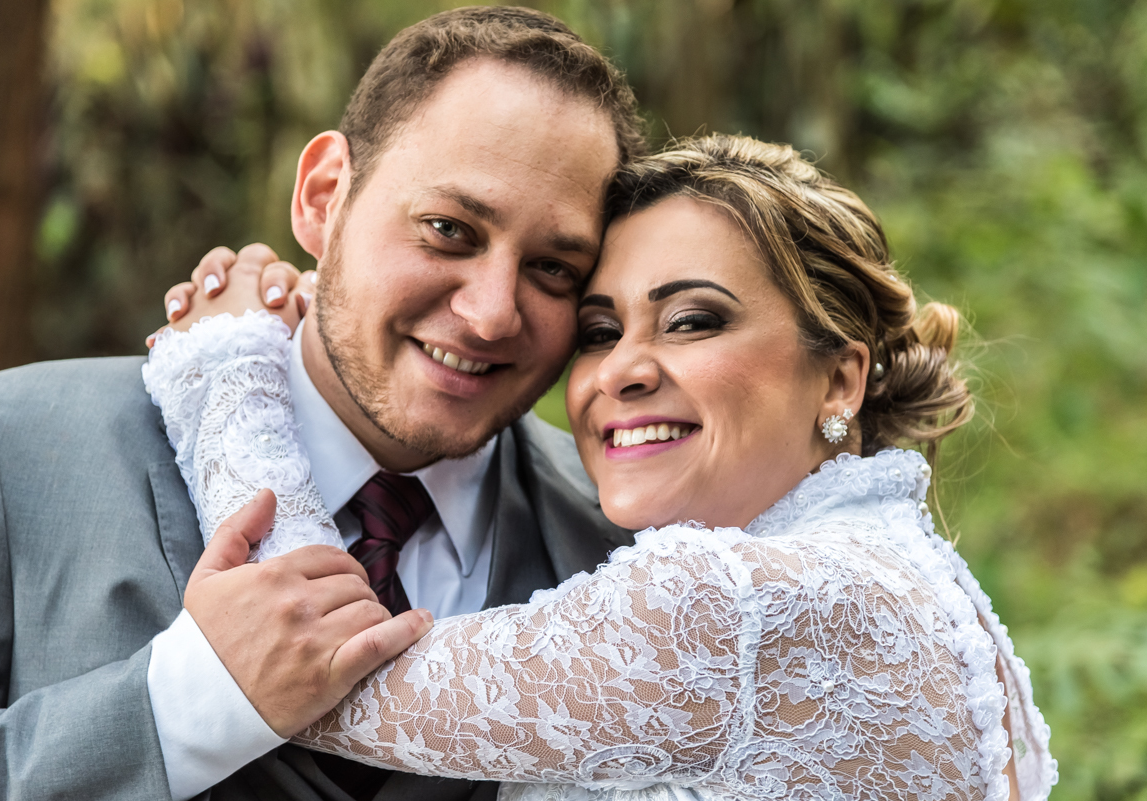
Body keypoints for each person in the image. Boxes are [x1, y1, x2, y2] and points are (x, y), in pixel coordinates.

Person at [147, 135, 1057, 800]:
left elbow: (312, 667)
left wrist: (225, 365)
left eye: (694, 319)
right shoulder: (916, 585)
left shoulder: (729, 601)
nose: (624, 368)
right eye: (598, 330)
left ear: (843, 375)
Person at [0, 8, 649, 800]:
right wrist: (189, 702)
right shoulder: (4, 445)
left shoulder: (626, 542)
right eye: (449, 229)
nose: (491, 313)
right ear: (323, 198)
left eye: (554, 268)